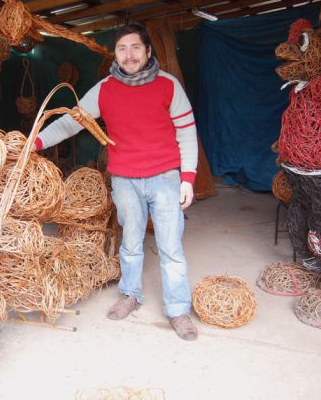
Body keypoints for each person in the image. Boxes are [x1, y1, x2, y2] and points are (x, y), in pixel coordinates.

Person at [34, 23, 199, 341]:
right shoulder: (104, 90)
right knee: (131, 242)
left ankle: (178, 310)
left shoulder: (169, 86)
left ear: (148, 51)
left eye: (135, 47)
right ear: (116, 54)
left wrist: (188, 178)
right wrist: (35, 143)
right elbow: (70, 123)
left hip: (165, 178)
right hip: (124, 180)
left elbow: (187, 132)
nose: (129, 54)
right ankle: (130, 295)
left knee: (171, 247)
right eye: (122, 48)